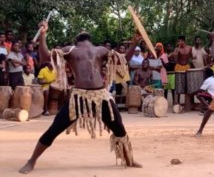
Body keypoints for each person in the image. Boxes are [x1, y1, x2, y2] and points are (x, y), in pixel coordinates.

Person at [19, 21, 141, 174]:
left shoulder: (101, 50)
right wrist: (43, 34)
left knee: (119, 128)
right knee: (54, 129)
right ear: (78, 40)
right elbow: (45, 57)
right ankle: (31, 161)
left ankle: (128, 159)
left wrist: (135, 41)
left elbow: (123, 60)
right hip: (79, 96)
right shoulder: (70, 50)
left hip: (101, 96)